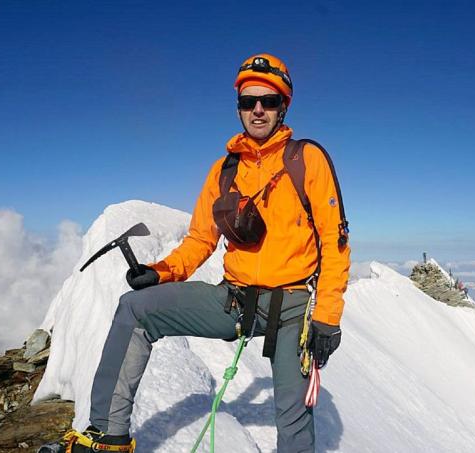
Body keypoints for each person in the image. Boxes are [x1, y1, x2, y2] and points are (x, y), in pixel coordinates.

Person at [72, 53, 350, 453]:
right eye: (247, 101)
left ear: (283, 106)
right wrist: (161, 272)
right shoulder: (224, 171)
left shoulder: (307, 159)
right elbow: (201, 239)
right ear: (238, 107)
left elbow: (334, 242)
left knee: (292, 418)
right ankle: (106, 438)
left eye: (268, 101)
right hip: (235, 299)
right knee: (135, 308)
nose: (257, 110)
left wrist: (327, 318)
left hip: (293, 308)